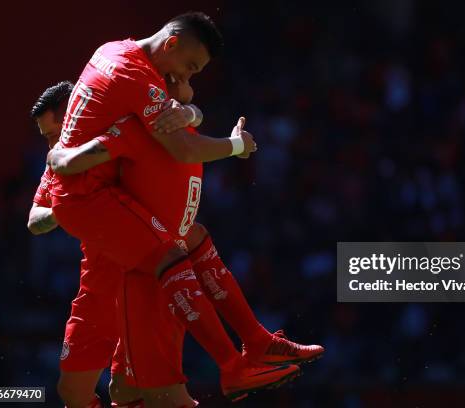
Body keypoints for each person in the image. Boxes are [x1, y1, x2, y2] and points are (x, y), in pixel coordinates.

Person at [48, 11, 300, 405]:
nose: (188, 79)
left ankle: (254, 345)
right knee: (174, 253)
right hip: (96, 206)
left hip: (114, 224)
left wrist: (189, 110)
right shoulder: (136, 85)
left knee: (127, 387)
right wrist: (237, 145)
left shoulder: (115, 53)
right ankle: (236, 362)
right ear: (171, 44)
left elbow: (177, 115)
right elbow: (181, 147)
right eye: (189, 66)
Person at [28, 81, 199, 408]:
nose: (52, 143)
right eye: (46, 137)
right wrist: (69, 209)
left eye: (55, 132)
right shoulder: (60, 164)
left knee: (134, 391)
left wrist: (194, 114)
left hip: (144, 280)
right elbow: (35, 220)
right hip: (96, 288)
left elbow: (184, 112)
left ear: (75, 112)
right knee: (72, 392)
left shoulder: (117, 133)